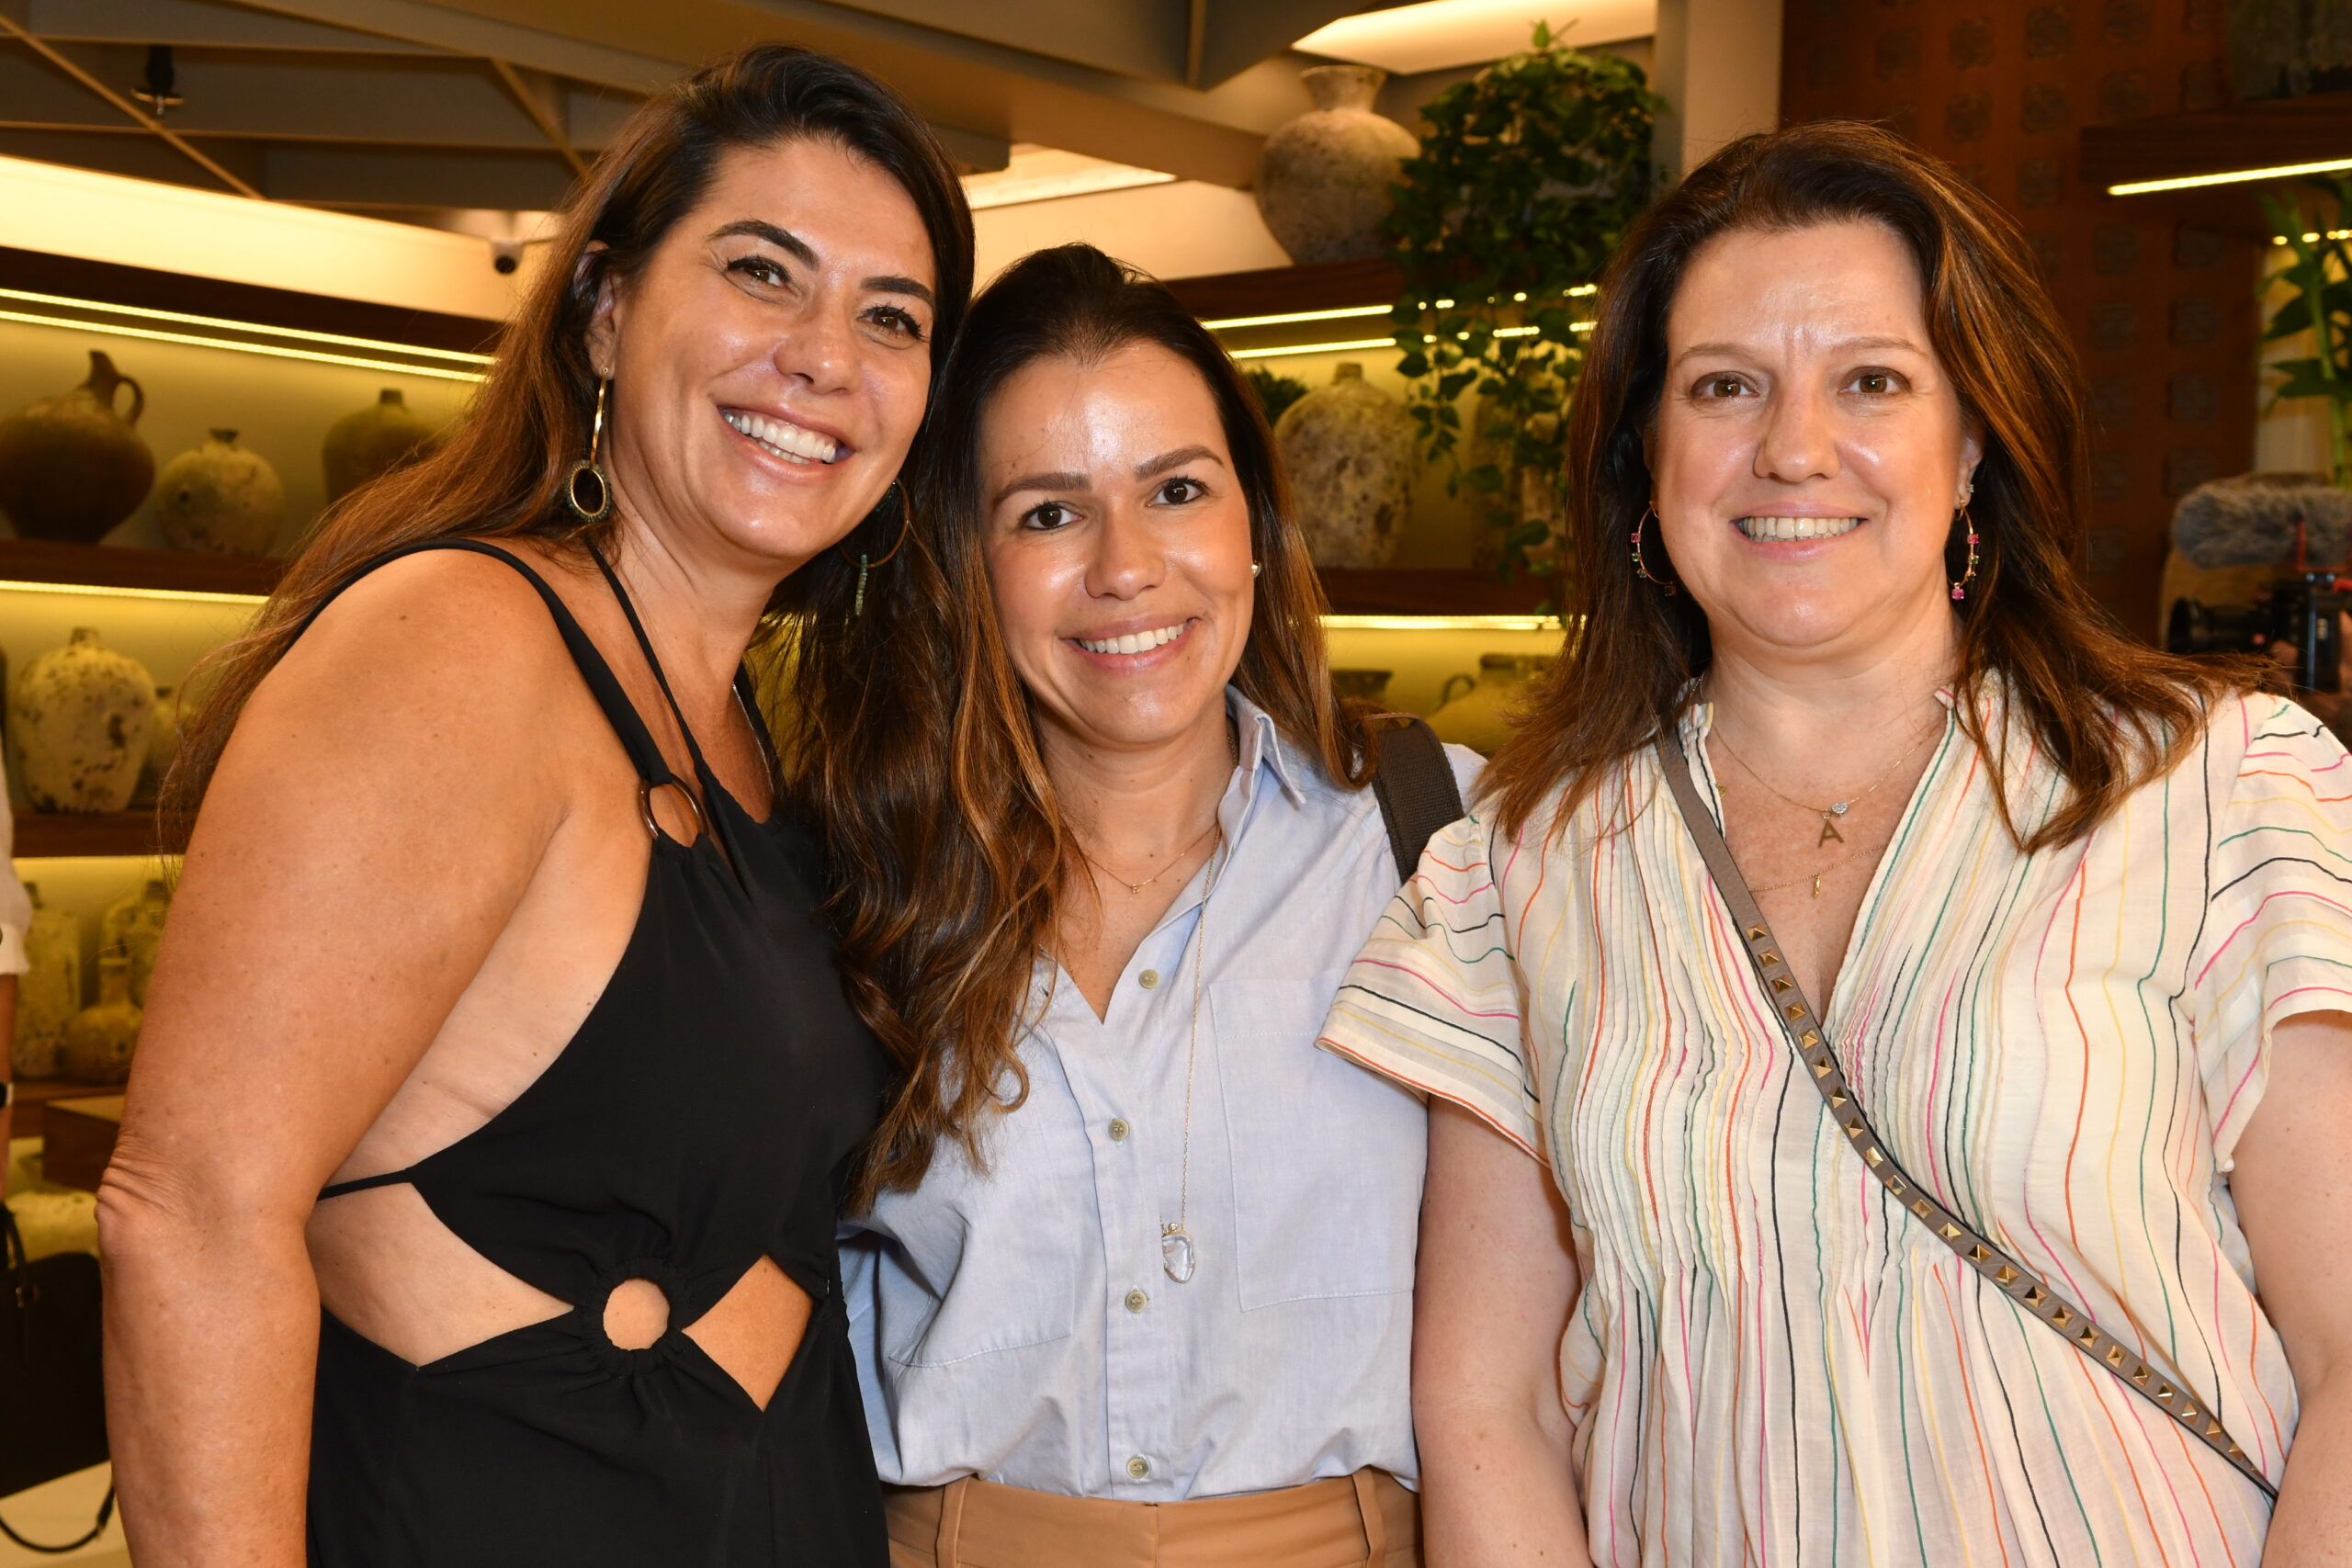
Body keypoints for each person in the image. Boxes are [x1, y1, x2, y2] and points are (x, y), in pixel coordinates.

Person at [1321, 121, 2352, 1564]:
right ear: (1646, 454)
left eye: (1871, 380)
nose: (1794, 449)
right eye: (1724, 388)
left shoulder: (2212, 786)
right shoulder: (1519, 860)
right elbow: (1491, 1405)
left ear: (1974, 438)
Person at [97, 46, 972, 1568]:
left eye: (888, 317)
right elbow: (189, 1212)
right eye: (766, 274)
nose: (827, 356)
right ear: (609, 311)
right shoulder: (462, 643)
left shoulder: (753, 723)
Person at [798, 244, 1476, 1567]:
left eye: (1176, 490)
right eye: (1048, 514)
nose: (1125, 566)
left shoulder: (1439, 840)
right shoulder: (851, 884)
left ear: (1255, 532)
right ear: (967, 568)